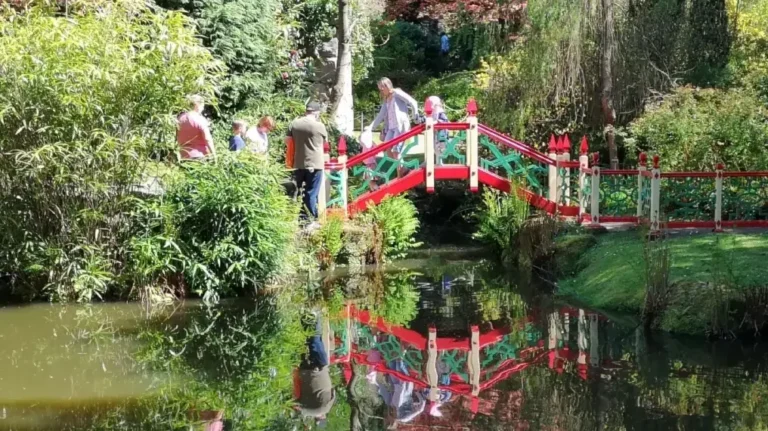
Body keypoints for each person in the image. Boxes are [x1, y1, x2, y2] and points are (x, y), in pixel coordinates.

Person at [366, 78, 419, 176]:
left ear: (388, 85)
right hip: (391, 128)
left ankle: (401, 174)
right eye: (380, 88)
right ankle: (404, 169)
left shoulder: (396, 93)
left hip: (400, 126)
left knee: (396, 151)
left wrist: (415, 115)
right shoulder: (386, 100)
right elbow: (381, 115)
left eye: (383, 86)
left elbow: (412, 102)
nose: (381, 89)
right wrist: (370, 128)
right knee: (388, 149)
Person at [286, 102, 327, 227]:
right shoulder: (319, 126)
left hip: (298, 163)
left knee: (298, 192)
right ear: (316, 112)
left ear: (306, 111)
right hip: (315, 164)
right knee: (311, 192)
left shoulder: (294, 124)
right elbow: (325, 143)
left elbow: (287, 141)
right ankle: (310, 220)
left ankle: (300, 218)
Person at [294, 311, 335, 427]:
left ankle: (311, 316)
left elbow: (333, 391)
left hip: (321, 369)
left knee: (314, 341)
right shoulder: (312, 410)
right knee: (308, 343)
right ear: (318, 419)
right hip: (309, 372)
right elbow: (297, 406)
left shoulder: (327, 407)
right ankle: (306, 316)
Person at [176, 95, 216, 160]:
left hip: (184, 156)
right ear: (197, 105)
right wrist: (214, 156)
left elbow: (177, 137)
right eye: (202, 106)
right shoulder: (200, 119)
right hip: (200, 156)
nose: (203, 109)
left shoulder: (180, 118)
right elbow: (207, 139)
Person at [426, 96, 450, 165]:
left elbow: (445, 121)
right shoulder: (433, 112)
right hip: (435, 133)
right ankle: (437, 162)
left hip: (441, 133)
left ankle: (440, 162)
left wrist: (436, 122)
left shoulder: (440, 112)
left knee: (440, 147)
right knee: (435, 148)